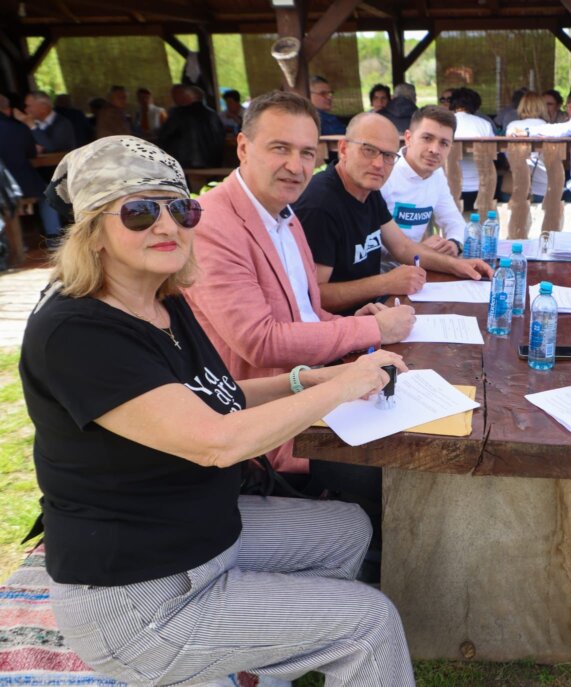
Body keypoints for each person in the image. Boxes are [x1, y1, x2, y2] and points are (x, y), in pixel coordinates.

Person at [19, 134, 415, 687]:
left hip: (198, 533)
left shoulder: (161, 298)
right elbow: (215, 440)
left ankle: (261, 660)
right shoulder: (76, 331)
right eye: (139, 212)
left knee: (347, 528)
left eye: (181, 210)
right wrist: (343, 386)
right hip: (139, 594)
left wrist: (306, 379)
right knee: (369, 621)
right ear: (93, 231)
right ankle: (259, 653)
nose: (167, 226)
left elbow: (215, 395)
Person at [184, 91, 414, 477]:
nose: (296, 166)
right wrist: (372, 328)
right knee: (402, 470)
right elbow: (260, 341)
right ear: (243, 147)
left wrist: (353, 322)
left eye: (307, 153)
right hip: (267, 428)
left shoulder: (286, 215)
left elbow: (306, 311)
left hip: (316, 389)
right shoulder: (212, 225)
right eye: (280, 148)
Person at [294, 111, 492, 315]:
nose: (378, 164)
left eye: (388, 155)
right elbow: (313, 297)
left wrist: (457, 265)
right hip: (342, 322)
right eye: (368, 150)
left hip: (376, 307)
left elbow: (403, 247)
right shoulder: (319, 205)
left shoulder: (368, 189)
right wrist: (386, 282)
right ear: (344, 149)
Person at [380, 105, 466, 264]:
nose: (435, 150)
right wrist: (418, 249)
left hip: (416, 264)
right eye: (427, 138)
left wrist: (454, 243)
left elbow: (453, 220)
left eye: (444, 143)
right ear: (408, 138)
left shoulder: (437, 174)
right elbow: (364, 242)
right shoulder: (384, 172)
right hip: (376, 270)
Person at [17, 91, 75, 248]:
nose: (26, 110)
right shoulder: (31, 126)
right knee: (42, 192)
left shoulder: (63, 123)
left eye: (29, 106)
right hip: (41, 176)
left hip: (65, 176)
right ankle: (52, 240)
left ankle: (54, 240)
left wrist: (32, 127)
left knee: (47, 193)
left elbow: (51, 146)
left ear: (43, 107)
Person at [450, 87, 496, 213]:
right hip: (479, 189)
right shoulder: (484, 124)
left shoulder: (445, 123)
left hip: (448, 188)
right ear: (476, 105)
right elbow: (494, 154)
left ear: (453, 103)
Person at [158, 85, 225, 169]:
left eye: (175, 95)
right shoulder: (212, 114)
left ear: (185, 96)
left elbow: (164, 137)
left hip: (186, 163)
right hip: (214, 162)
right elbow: (220, 136)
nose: (173, 99)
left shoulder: (178, 114)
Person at [505, 91, 550, 202]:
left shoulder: (512, 127)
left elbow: (507, 156)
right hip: (543, 188)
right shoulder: (548, 127)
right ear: (542, 107)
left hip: (516, 187)